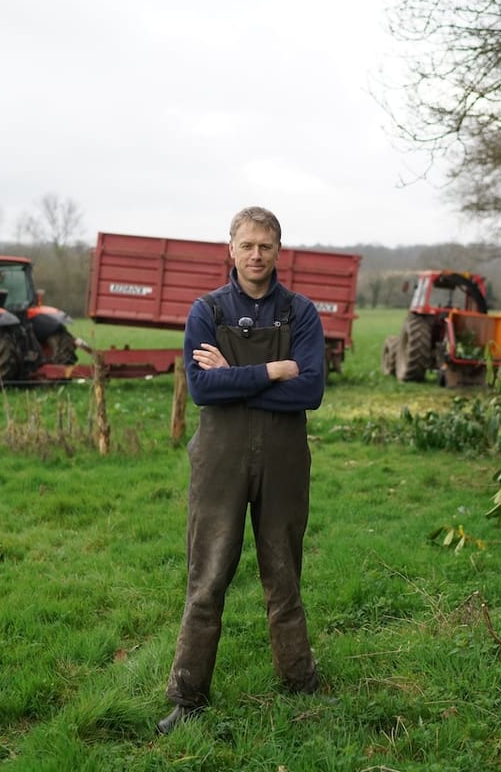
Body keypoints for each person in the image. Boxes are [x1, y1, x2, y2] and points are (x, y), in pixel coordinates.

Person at [157, 205, 326, 734]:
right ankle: (187, 697)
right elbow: (203, 389)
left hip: (284, 461)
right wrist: (274, 370)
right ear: (230, 249)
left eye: (265, 246)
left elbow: (311, 390)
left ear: (279, 251)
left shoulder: (300, 313)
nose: (256, 255)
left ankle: (300, 683)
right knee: (207, 576)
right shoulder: (207, 311)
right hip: (219, 461)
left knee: (284, 573)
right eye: (247, 245)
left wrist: (236, 378)